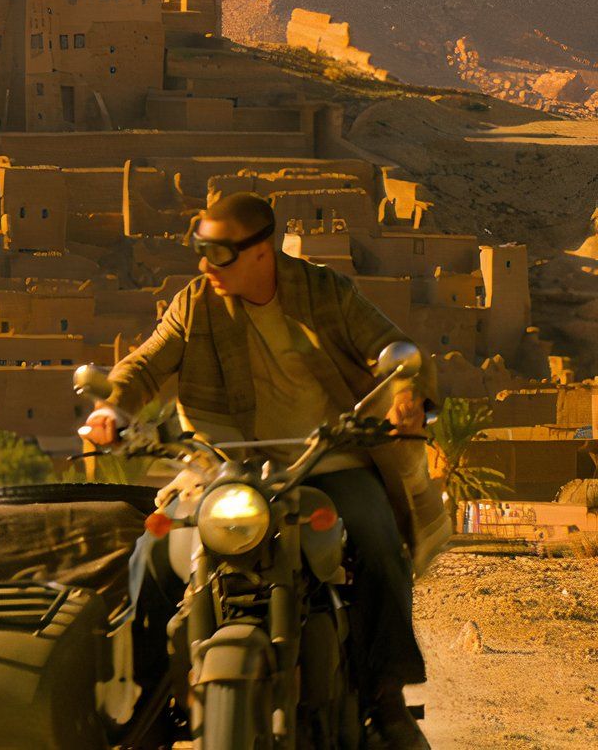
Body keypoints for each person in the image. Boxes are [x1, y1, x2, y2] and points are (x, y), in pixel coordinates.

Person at [81, 192, 442, 749]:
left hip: (323, 461)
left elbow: (390, 346)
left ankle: (384, 695)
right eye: (201, 252)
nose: (207, 267)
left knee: (375, 540)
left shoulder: (324, 292)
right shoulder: (194, 304)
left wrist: (406, 394)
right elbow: (145, 365)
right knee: (149, 558)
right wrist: (112, 409)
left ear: (260, 250)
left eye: (219, 254)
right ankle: (147, 700)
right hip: (217, 469)